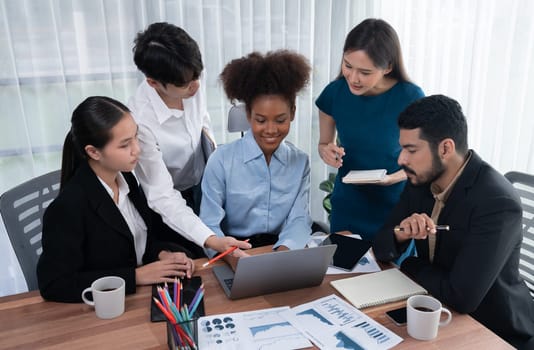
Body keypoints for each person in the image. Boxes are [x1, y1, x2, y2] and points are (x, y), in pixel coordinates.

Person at [373, 95, 534, 349]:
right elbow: (381, 245)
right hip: (436, 309)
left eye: (411, 150)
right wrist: (400, 234)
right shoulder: (421, 180)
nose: (401, 160)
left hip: (495, 330)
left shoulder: (497, 202)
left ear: (445, 148)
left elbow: (462, 297)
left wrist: (411, 264)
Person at [37, 96, 195, 303]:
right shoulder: (68, 207)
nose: (137, 149)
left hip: (139, 299)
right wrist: (136, 276)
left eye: (136, 137)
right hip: (102, 310)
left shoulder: (126, 178)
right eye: (124, 145)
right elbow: (54, 284)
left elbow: (138, 242)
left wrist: (164, 255)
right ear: (94, 152)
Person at [128, 22, 250, 257]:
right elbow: (162, 196)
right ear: (153, 82)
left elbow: (203, 126)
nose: (195, 86)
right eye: (185, 84)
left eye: (197, 76)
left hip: (203, 185)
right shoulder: (140, 122)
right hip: (170, 201)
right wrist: (210, 239)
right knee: (193, 263)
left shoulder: (189, 81)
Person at [200, 50, 313, 267]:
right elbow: (208, 224)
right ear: (248, 115)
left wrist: (283, 253)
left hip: (281, 251)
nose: (271, 130)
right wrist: (233, 256)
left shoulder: (300, 161)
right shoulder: (221, 160)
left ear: (293, 113)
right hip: (233, 253)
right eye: (261, 120)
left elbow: (299, 219)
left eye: (280, 120)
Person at [316, 18, 424, 241]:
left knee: (389, 274)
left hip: (394, 209)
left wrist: (394, 178)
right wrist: (327, 151)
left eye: (365, 72)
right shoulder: (334, 93)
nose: (353, 78)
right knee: (341, 273)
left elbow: (425, 161)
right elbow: (324, 144)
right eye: (348, 65)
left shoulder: (411, 97)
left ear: (388, 67)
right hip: (348, 206)